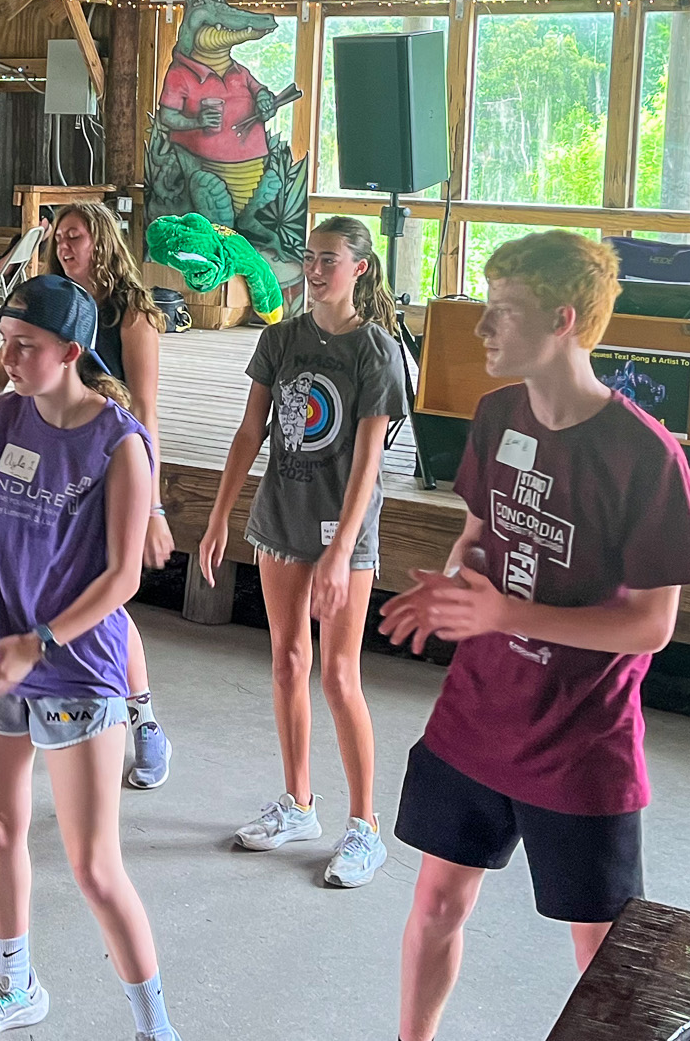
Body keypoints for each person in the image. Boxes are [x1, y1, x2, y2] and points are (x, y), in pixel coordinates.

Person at [379, 231, 690, 1041]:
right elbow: (477, 535)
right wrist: (456, 580)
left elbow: (653, 624)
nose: (484, 327)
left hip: (580, 741)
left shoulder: (646, 455)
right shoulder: (497, 415)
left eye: (506, 310)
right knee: (437, 900)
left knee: (604, 951)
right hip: (476, 716)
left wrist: (505, 615)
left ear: (562, 319)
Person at [0, 275, 181, 1041]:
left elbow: (124, 577)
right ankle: (14, 986)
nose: (8, 359)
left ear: (72, 352)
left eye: (25, 346)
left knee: (93, 865)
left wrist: (39, 641)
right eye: (4, 342)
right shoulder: (3, 416)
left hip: (75, 666)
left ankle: (155, 1025)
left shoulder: (120, 441)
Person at [197, 215, 405, 887]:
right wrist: (219, 516)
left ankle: (365, 825)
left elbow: (368, 461)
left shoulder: (375, 350)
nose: (315, 270)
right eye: (309, 257)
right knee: (289, 661)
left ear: (359, 268)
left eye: (329, 259)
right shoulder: (281, 338)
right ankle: (298, 802)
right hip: (280, 519)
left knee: (339, 675)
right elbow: (250, 430)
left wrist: (342, 551)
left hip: (344, 530)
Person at [0, 201, 177, 788]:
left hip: (98, 458)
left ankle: (142, 716)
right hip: (37, 448)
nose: (65, 245)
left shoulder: (130, 313)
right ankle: (14, 694)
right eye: (60, 237)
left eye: (76, 236)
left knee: (104, 600)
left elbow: (145, 408)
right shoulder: (38, 302)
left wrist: (152, 504)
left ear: (102, 242)